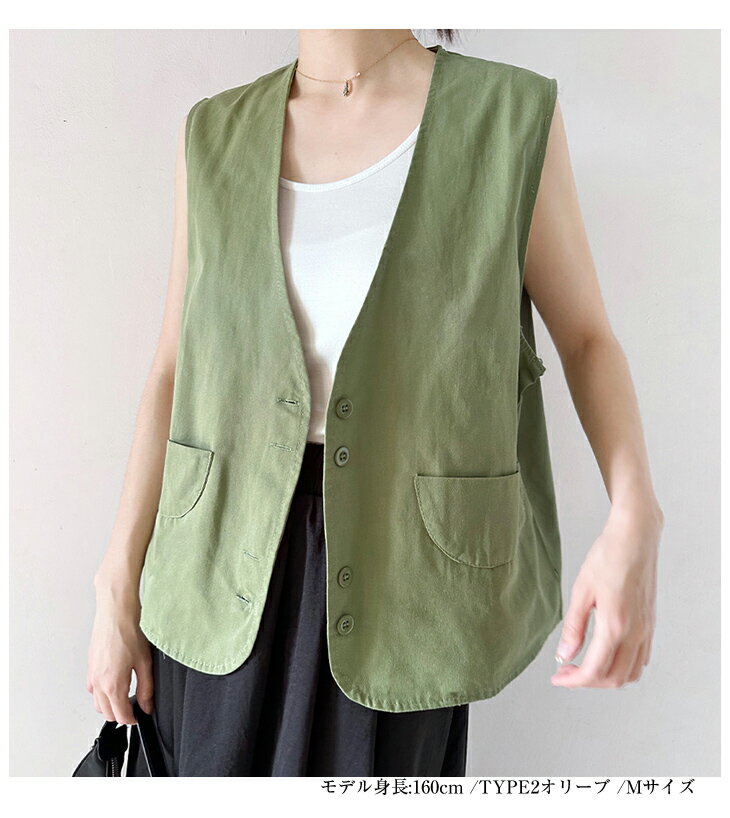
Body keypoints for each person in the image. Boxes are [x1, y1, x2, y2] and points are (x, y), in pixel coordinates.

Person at [86, 29, 664, 777]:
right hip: (216, 569)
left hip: (408, 584)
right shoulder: (214, 132)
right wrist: (115, 588)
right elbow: (173, 367)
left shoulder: (509, 116)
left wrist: (635, 513)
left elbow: (586, 338)